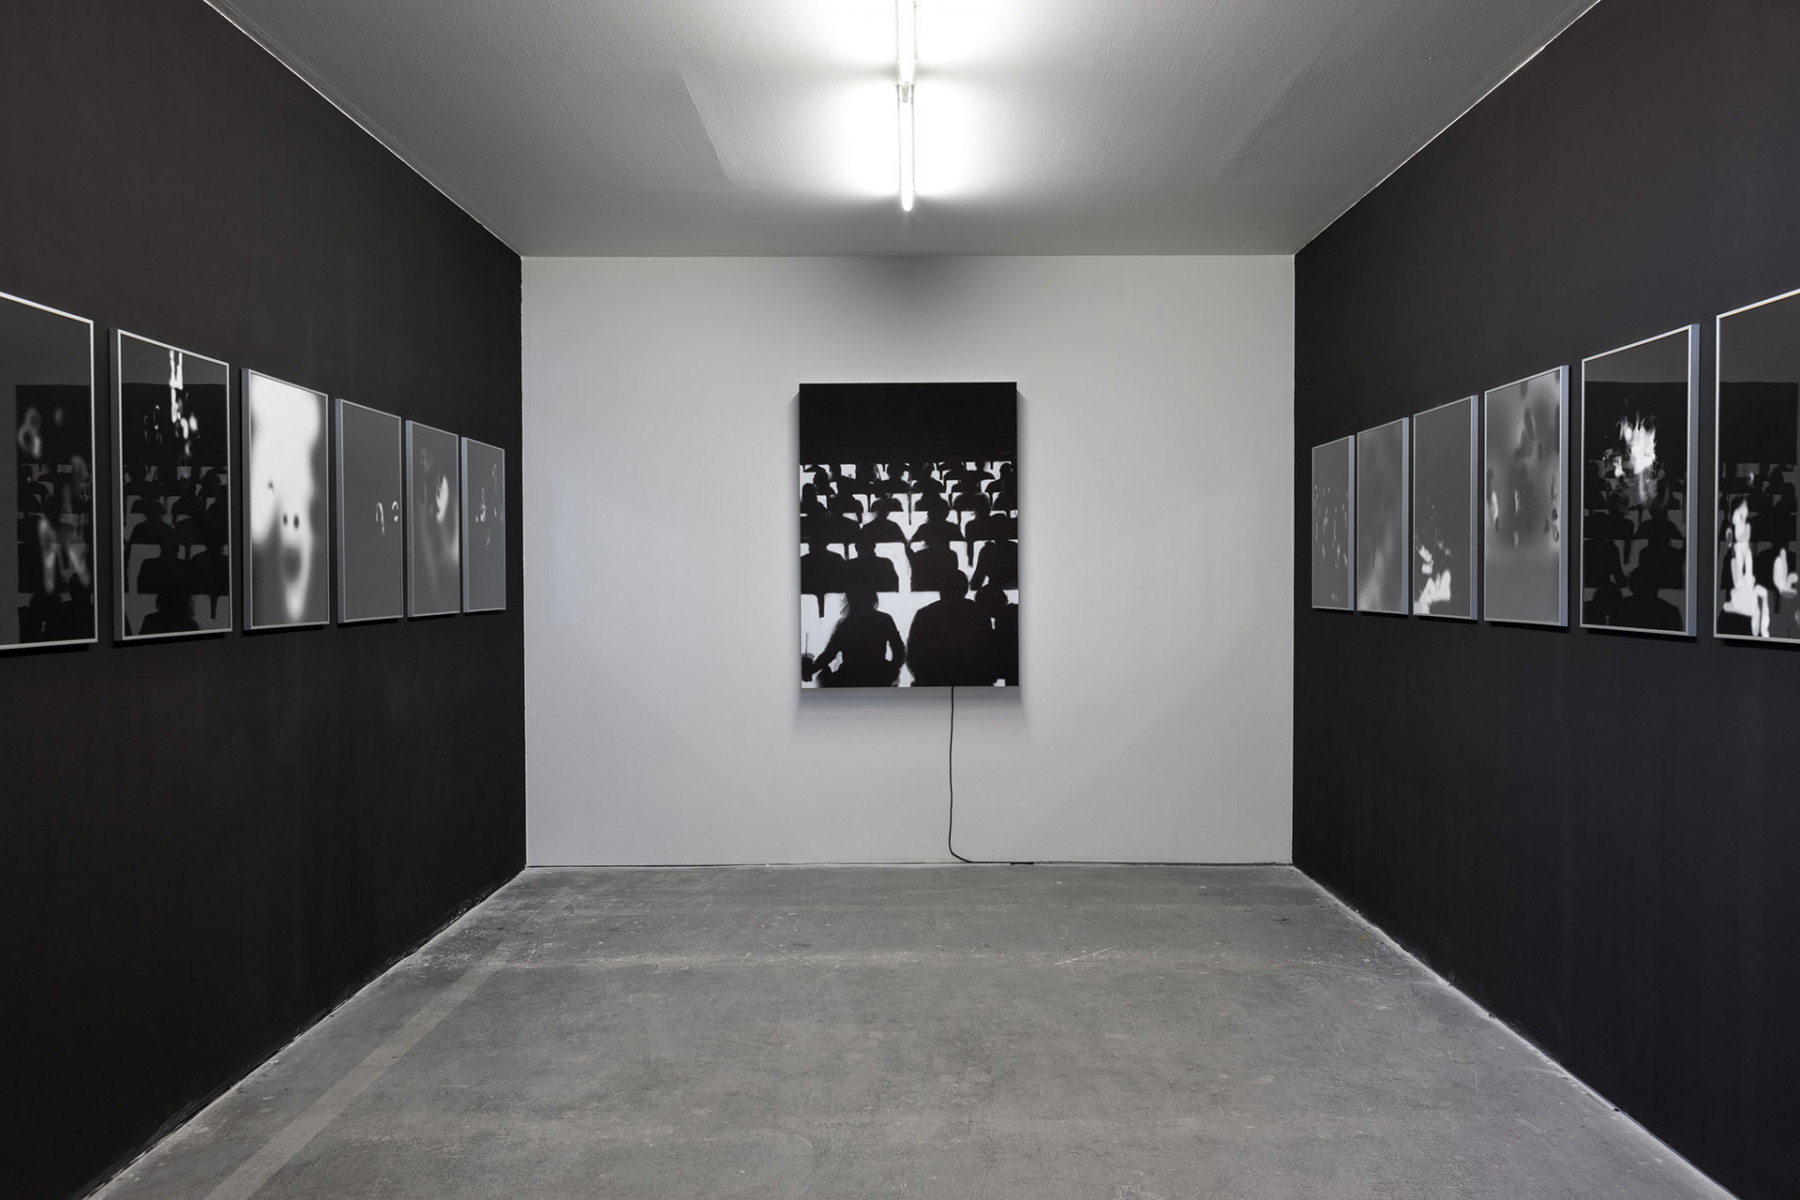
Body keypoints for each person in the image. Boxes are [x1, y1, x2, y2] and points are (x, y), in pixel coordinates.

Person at [906, 571, 994, 686]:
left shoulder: (925, 614)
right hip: (972, 681)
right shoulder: (978, 612)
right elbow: (988, 648)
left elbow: (913, 652)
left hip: (934, 681)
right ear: (965, 589)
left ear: (941, 589)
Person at [809, 588, 905, 687]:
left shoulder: (845, 624)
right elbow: (899, 649)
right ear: (872, 598)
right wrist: (891, 671)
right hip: (877, 676)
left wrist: (811, 669)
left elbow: (829, 653)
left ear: (851, 600)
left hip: (850, 677)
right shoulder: (885, 619)